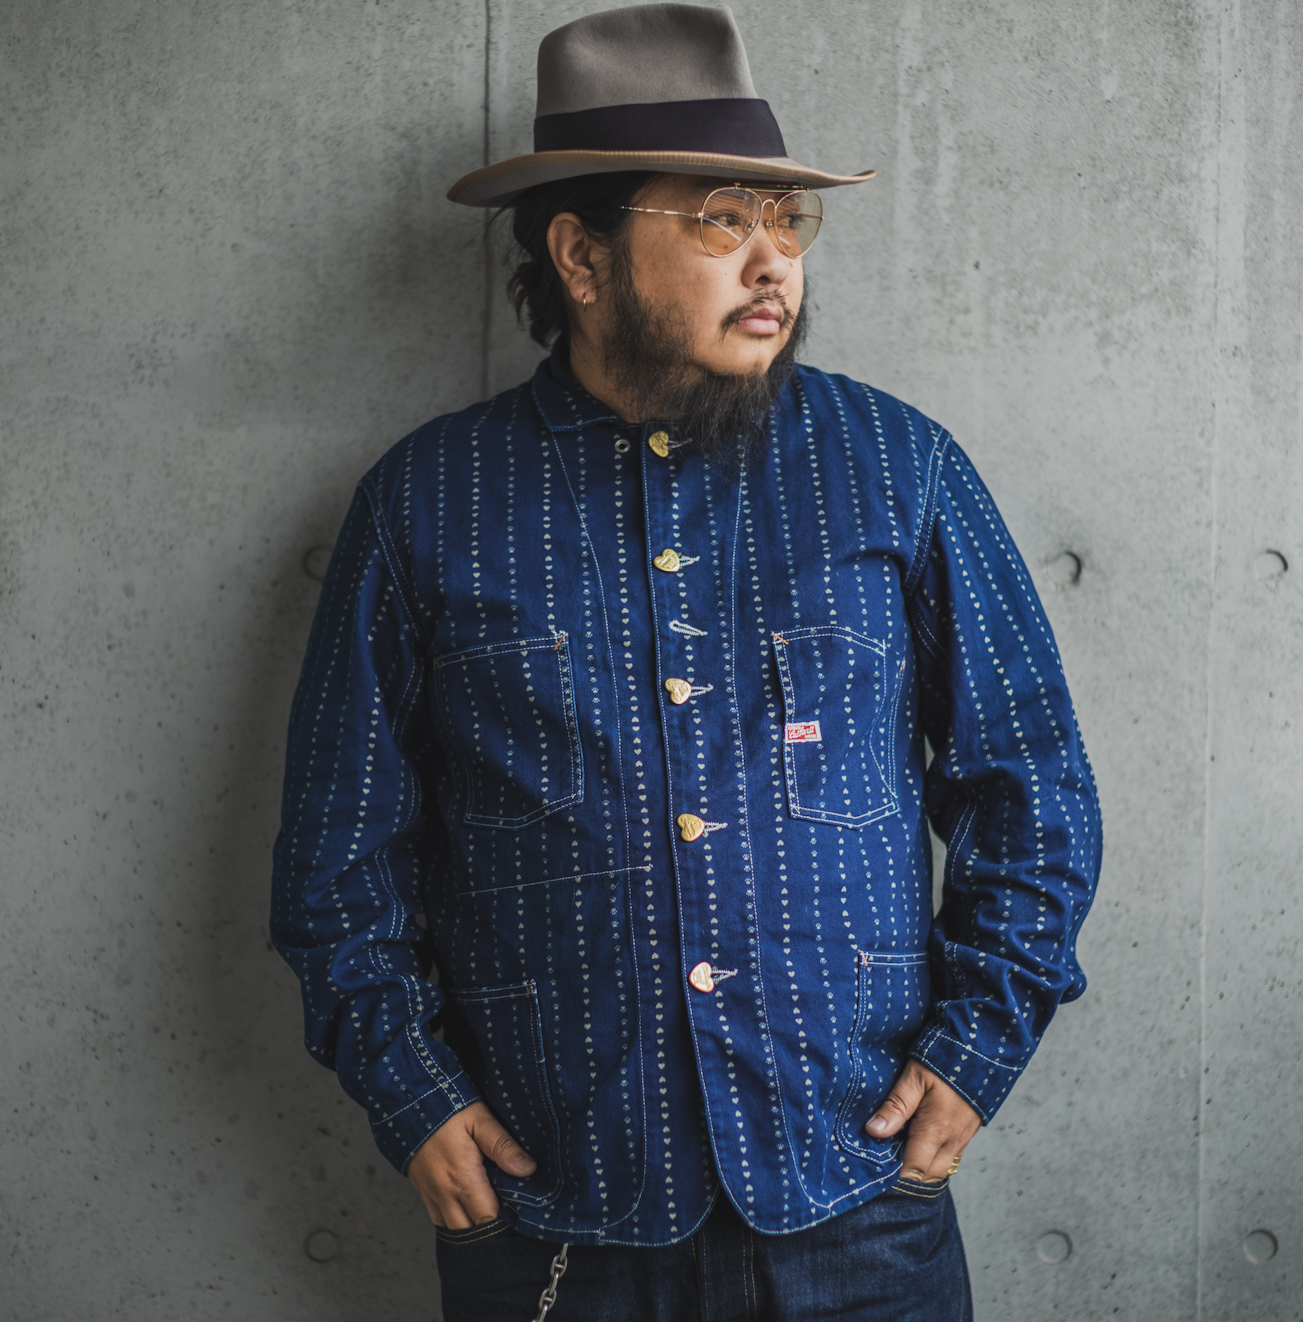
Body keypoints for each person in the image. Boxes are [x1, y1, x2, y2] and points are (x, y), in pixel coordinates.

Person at [269, 5, 1103, 1317]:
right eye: (720, 221)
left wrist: (976, 1049)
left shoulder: (899, 469)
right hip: (557, 1211)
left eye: (788, 221)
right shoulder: (427, 503)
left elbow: (1032, 787)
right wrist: (412, 1093)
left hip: (856, 1202)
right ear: (581, 256)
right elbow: (338, 854)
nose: (773, 263)